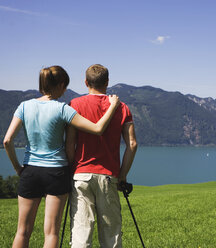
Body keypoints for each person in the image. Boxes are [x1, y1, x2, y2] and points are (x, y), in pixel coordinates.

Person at [3, 65, 120, 248]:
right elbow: (97, 129)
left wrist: (18, 168)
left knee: (22, 231)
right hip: (56, 173)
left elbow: (7, 141)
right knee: (51, 233)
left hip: (30, 171)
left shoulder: (24, 106)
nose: (65, 91)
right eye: (65, 87)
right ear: (61, 84)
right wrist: (112, 106)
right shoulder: (62, 109)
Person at [66, 64, 138, 248]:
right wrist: (122, 175)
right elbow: (132, 144)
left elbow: (70, 144)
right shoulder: (122, 108)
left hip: (81, 175)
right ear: (107, 83)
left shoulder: (74, 105)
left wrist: (71, 169)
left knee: (81, 235)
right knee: (111, 236)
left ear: (85, 82)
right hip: (108, 176)